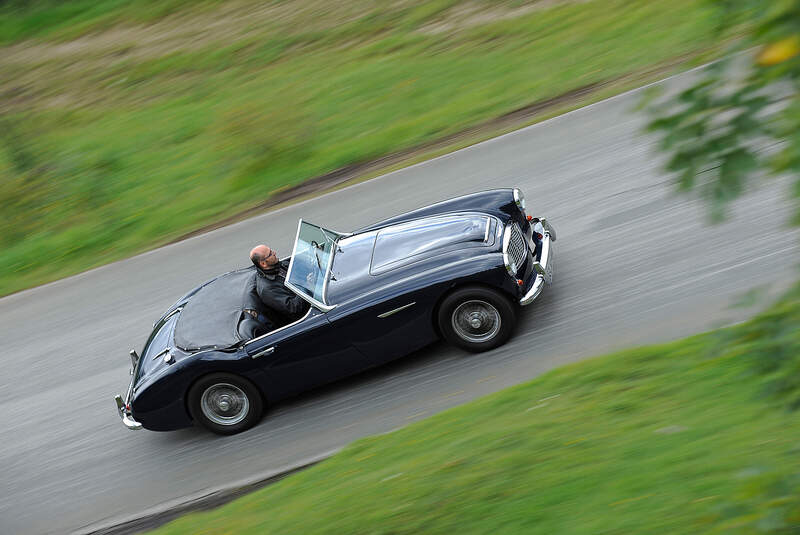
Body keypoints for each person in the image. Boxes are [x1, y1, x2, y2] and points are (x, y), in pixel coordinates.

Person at [248, 244, 308, 327]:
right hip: (305, 317)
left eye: (271, 250)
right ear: (263, 264)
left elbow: (295, 269)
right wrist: (307, 285)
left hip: (309, 296)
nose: (274, 253)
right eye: (270, 254)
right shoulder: (268, 289)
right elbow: (294, 308)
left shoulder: (277, 266)